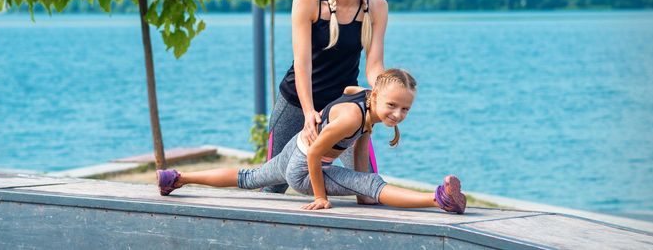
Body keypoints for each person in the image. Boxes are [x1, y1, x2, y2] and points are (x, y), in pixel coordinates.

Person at [156, 69, 467, 214]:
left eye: (405, 109)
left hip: (297, 148)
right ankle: (438, 198)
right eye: (392, 106)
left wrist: (362, 190)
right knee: (373, 184)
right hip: (305, 167)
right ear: (374, 96)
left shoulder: (361, 101)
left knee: (249, 177)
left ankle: (178, 178)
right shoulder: (352, 119)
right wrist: (321, 197)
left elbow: (347, 92)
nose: (398, 114)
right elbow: (318, 152)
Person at [265, 0, 389, 198]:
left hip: (344, 107)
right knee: (272, 186)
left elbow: (374, 66)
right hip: (297, 101)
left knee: (367, 189)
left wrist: (386, 95)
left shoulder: (377, 6)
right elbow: (302, 64)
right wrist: (309, 112)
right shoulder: (307, 0)